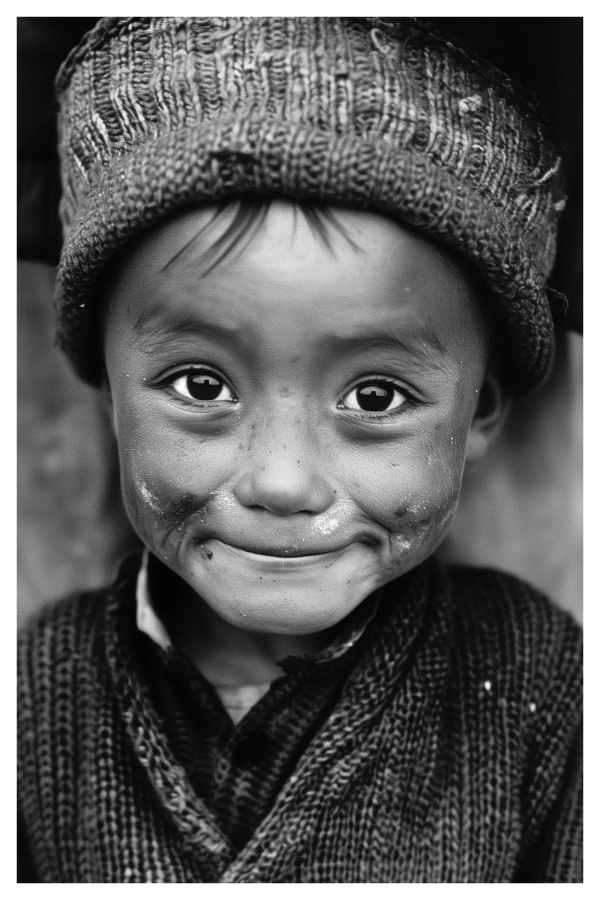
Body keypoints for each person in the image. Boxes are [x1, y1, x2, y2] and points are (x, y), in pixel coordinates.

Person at [17, 17, 582, 883]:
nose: (283, 483)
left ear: (481, 415)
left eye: (376, 397)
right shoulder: (31, 694)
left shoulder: (545, 681)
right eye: (201, 386)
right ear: (105, 388)